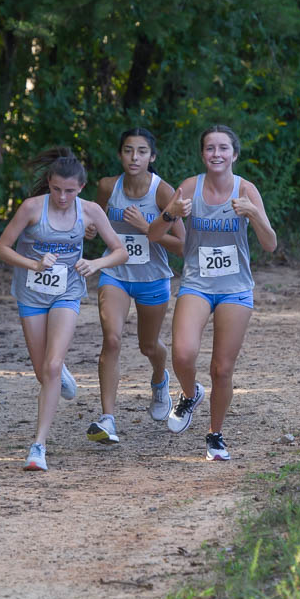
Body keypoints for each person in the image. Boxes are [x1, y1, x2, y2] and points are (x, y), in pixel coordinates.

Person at [0, 148, 129, 470]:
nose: (63, 197)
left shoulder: (91, 211)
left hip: (67, 292)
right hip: (30, 294)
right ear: (49, 184)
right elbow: (0, 248)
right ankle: (58, 372)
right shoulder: (30, 209)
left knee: (51, 366)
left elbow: (120, 251)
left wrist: (95, 263)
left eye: (70, 191)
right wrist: (33, 264)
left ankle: (38, 446)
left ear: (81, 188)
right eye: (56, 189)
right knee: (45, 372)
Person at [148, 125, 277, 461]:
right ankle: (190, 395)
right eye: (210, 148)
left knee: (222, 368)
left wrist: (253, 214)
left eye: (223, 148)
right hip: (197, 284)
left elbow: (270, 243)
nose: (216, 154)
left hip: (235, 289)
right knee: (183, 354)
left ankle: (215, 435)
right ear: (202, 154)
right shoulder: (190, 188)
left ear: (234, 154)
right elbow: (154, 233)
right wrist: (171, 213)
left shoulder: (247, 189)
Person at [84, 128, 185, 445]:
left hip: (153, 277)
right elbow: (94, 218)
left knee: (148, 346)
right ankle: (108, 419)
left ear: (152, 157)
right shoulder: (107, 186)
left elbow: (182, 245)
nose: (134, 157)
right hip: (115, 273)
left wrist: (148, 227)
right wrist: (88, 230)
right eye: (128, 150)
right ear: (120, 154)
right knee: (111, 340)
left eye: (142, 152)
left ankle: (159, 380)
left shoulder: (162, 192)